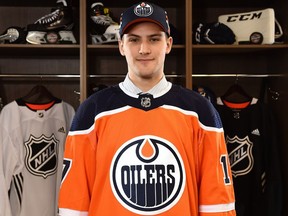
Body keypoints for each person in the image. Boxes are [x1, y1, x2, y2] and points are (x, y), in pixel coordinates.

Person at [58, 2, 236, 216]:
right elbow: (73, 205)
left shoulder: (200, 112)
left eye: (154, 39)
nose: (144, 49)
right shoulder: (92, 112)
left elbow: (217, 204)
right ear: (121, 46)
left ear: (168, 44)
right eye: (134, 40)